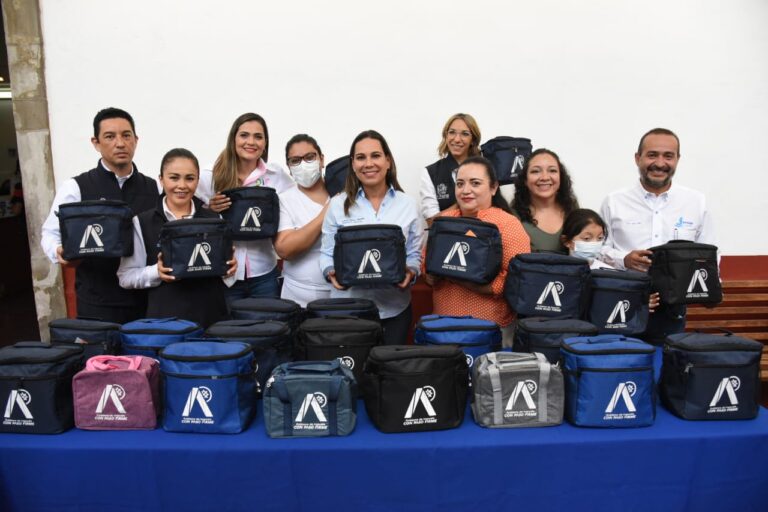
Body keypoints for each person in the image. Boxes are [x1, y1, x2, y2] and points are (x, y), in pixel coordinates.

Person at [41, 107, 159, 323]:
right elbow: (50, 233)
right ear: (96, 143)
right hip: (96, 302)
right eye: (110, 136)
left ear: (136, 139)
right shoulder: (76, 187)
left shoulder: (154, 188)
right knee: (100, 357)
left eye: (126, 135)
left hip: (147, 301)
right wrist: (58, 250)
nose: (120, 143)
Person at [600, 127, 716, 343]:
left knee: (667, 370)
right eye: (652, 155)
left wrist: (711, 288)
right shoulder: (614, 201)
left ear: (677, 160)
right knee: (623, 370)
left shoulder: (696, 202)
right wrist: (623, 259)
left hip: (673, 308)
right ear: (638, 158)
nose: (660, 163)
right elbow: (599, 251)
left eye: (668, 156)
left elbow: (708, 253)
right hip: (623, 302)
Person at [320, 130, 423, 345]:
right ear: (353, 164)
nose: (368, 163)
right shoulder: (338, 205)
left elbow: (414, 253)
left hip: (395, 309)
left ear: (388, 161)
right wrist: (331, 273)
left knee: (390, 374)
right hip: (348, 310)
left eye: (375, 155)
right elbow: (327, 252)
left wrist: (411, 272)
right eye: (361, 157)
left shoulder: (408, 204)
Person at [117, 149, 236, 327]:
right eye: (174, 178)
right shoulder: (141, 222)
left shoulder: (214, 220)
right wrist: (157, 272)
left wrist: (230, 270)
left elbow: (227, 278)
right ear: (161, 179)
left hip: (211, 320)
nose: (182, 185)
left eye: (190, 178)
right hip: (165, 324)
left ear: (197, 180)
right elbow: (125, 277)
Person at [425, 156, 531, 347]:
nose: (466, 191)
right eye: (460, 184)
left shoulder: (508, 225)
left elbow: (515, 279)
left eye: (475, 183)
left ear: (493, 187)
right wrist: (431, 274)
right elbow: (427, 265)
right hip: (443, 326)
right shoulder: (444, 222)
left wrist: (461, 279)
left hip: (490, 328)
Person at [197, 113, 295, 305]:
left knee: (267, 330)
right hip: (224, 276)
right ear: (233, 138)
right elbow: (188, 213)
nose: (251, 142)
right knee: (229, 332)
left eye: (258, 136)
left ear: (265, 142)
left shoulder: (276, 176)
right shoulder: (210, 176)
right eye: (244, 135)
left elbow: (295, 205)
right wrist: (210, 209)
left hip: (264, 274)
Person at [560, 208, 660, 310]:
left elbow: (619, 304)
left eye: (599, 238)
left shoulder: (611, 274)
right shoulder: (556, 271)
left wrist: (639, 304)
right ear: (566, 241)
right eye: (587, 238)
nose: (594, 244)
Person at [273, 134, 332, 307]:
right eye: (296, 160)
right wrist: (326, 213)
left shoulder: (342, 194)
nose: (303, 164)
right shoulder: (284, 199)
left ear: (321, 159)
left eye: (309, 157)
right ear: (289, 167)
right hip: (297, 299)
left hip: (341, 299)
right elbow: (285, 249)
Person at [510, 148, 579, 253]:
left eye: (552, 170)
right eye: (535, 171)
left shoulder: (571, 207)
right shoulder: (513, 215)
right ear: (525, 180)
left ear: (561, 177)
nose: (545, 177)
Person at [420, 113, 482, 224]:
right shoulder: (430, 173)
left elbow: (493, 209)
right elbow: (432, 222)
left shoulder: (484, 170)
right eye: (452, 132)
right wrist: (464, 201)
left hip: (482, 236)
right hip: (447, 238)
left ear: (473, 140)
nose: (457, 139)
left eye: (465, 134)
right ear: (446, 135)